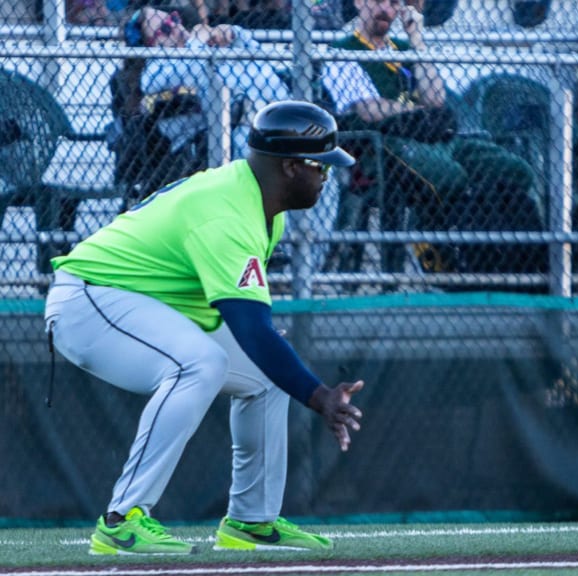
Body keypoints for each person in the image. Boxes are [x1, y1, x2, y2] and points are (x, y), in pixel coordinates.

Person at [44, 100, 362, 555]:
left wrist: (300, 383)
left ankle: (252, 521)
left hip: (134, 302)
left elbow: (259, 341)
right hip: (88, 300)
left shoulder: (258, 204)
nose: (327, 175)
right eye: (320, 165)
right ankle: (121, 520)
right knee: (204, 362)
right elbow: (252, 331)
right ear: (291, 166)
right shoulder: (229, 213)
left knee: (268, 374)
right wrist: (321, 397)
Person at [320, 0, 541, 274]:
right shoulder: (343, 50)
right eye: (378, 1)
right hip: (381, 147)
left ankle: (515, 262)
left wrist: (417, 40)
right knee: (451, 177)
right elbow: (369, 109)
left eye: (393, 3)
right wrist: (419, 111)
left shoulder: (404, 50)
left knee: (515, 170)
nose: (386, 10)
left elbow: (436, 98)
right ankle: (448, 258)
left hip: (436, 140)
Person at [123, 6, 291, 159]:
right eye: (165, 28)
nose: (175, 26)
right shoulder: (155, 71)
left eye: (173, 18)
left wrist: (233, 32)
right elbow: (190, 70)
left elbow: (259, 55)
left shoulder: (202, 45)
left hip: (281, 109)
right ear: (150, 45)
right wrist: (198, 40)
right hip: (237, 133)